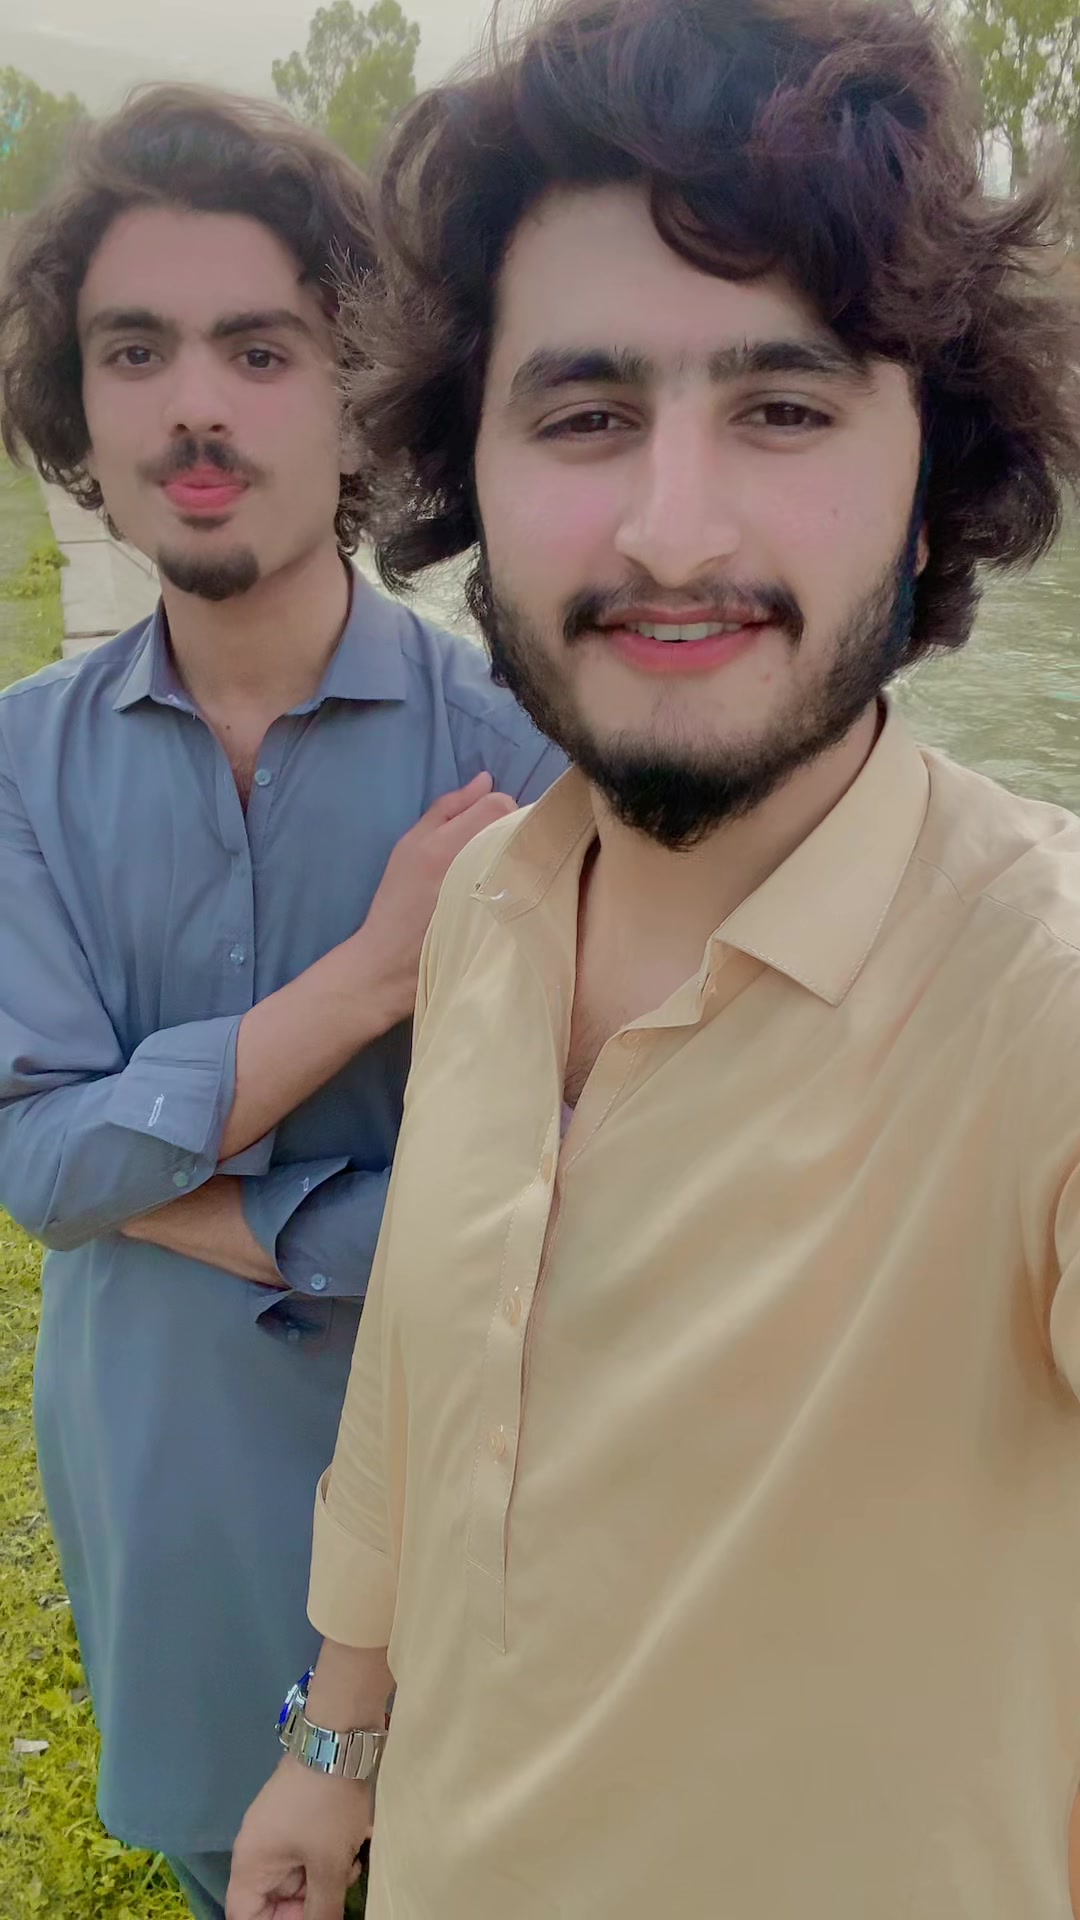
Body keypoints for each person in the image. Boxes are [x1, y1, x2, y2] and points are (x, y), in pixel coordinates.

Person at [227, 0, 1080, 1914]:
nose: (674, 533)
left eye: (785, 408)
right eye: (587, 414)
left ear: (932, 481)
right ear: (470, 475)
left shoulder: (1044, 1000)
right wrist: (333, 1742)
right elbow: (419, 1383)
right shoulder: (486, 905)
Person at [0, 85, 564, 1920]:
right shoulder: (17, 767)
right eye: (134, 350)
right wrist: (370, 978)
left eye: (260, 349)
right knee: (217, 1865)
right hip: (156, 1472)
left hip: (466, 1493)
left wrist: (194, 1200)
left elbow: (575, 1202)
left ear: (358, 389)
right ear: (77, 405)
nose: (197, 406)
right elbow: (36, 1166)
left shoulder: (525, 758)